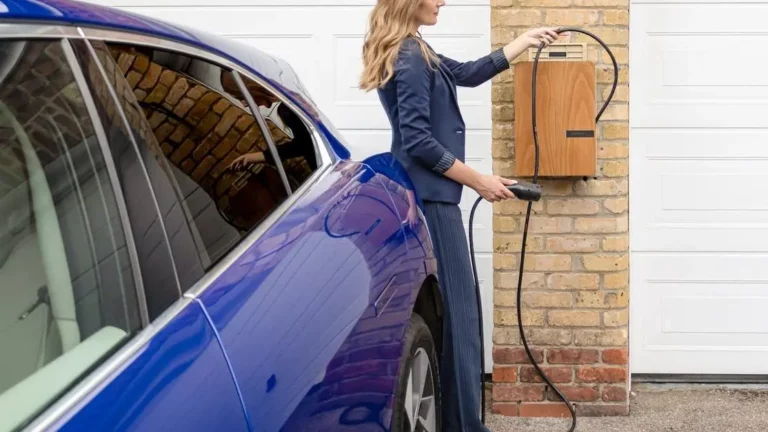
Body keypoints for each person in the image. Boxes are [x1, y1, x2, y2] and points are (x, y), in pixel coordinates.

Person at [359, 0, 566, 430]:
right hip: (433, 199)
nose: (442, 1)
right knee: (459, 319)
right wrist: (477, 180)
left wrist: (522, 43)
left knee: (456, 316)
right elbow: (417, 139)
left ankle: (458, 422)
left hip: (429, 195)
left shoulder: (414, 47)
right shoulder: (410, 54)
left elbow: (468, 73)